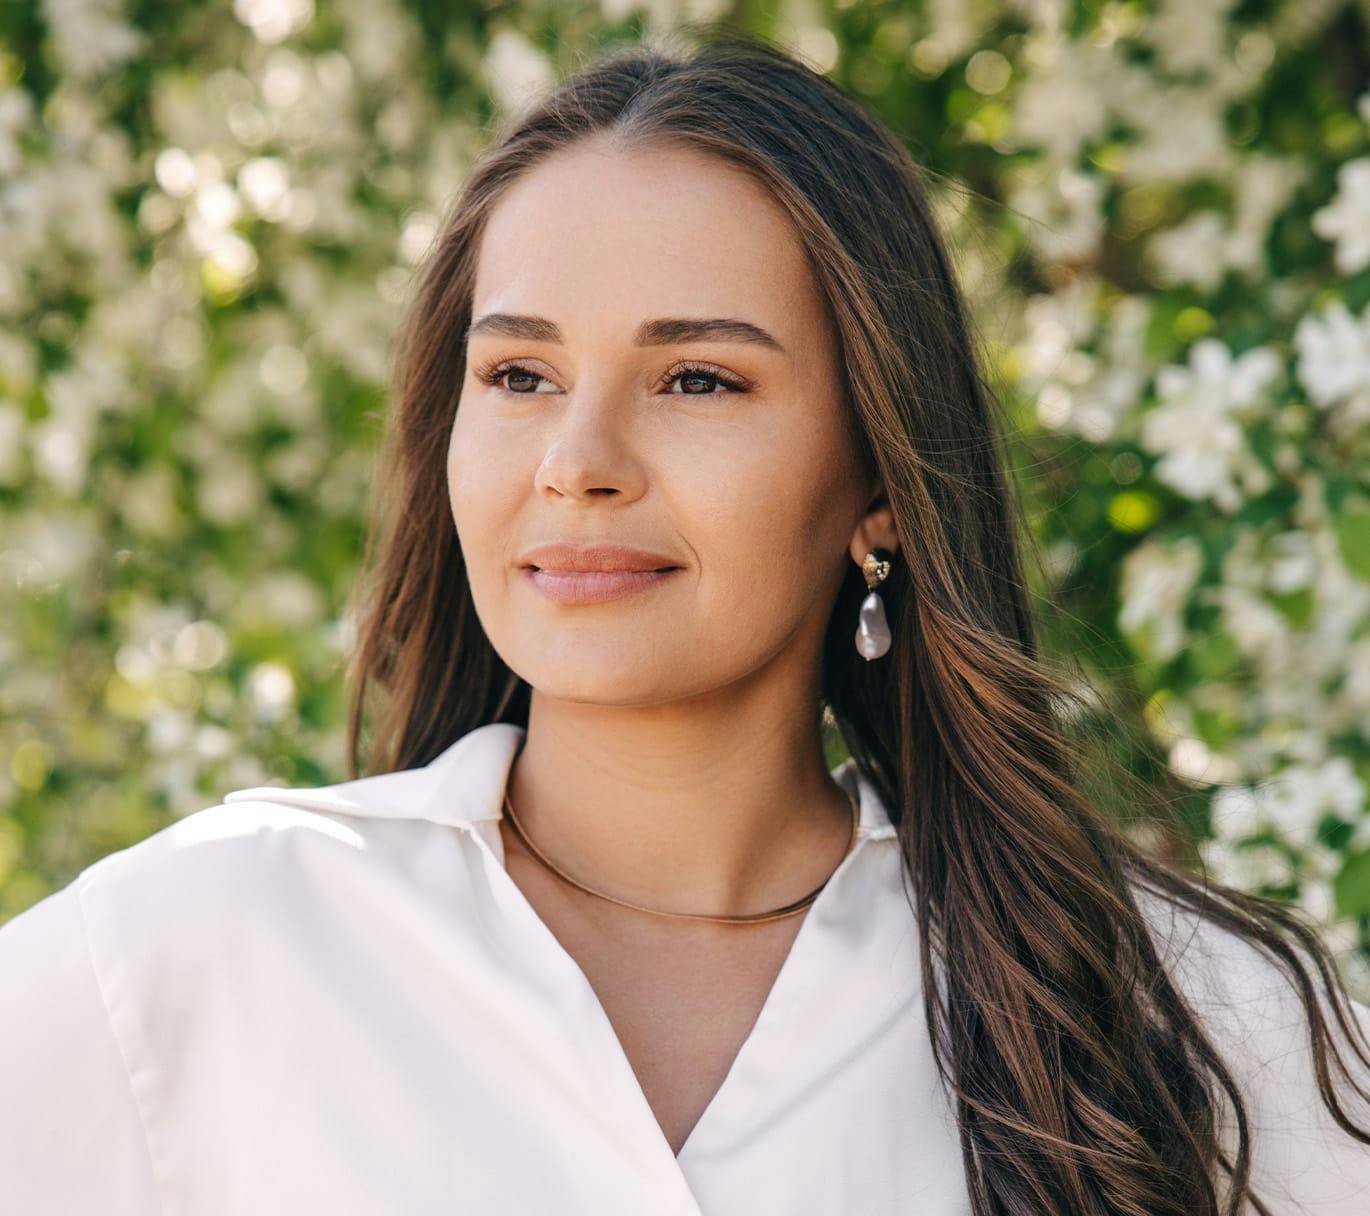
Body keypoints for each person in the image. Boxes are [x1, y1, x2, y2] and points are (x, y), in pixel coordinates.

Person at [2, 32, 1369, 1216]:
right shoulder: (199, 945)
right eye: (520, 374)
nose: (578, 461)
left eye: (698, 379)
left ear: (881, 478)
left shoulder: (1175, 1013)